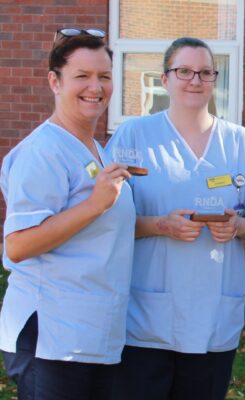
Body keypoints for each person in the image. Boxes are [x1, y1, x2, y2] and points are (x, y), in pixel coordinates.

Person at [106, 37, 245, 399]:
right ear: (165, 79)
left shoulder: (240, 143)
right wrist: (160, 225)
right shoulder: (134, 136)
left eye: (205, 72)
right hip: (146, 316)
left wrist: (239, 226)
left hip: (214, 315)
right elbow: (104, 220)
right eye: (184, 71)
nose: (195, 80)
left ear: (215, 79)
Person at [0, 28, 135, 399]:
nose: (96, 87)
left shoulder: (96, 148)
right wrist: (94, 203)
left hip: (93, 333)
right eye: (82, 76)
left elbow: (103, 226)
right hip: (52, 336)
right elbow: (18, 245)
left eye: (104, 76)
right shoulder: (42, 152)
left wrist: (161, 226)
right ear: (54, 82)